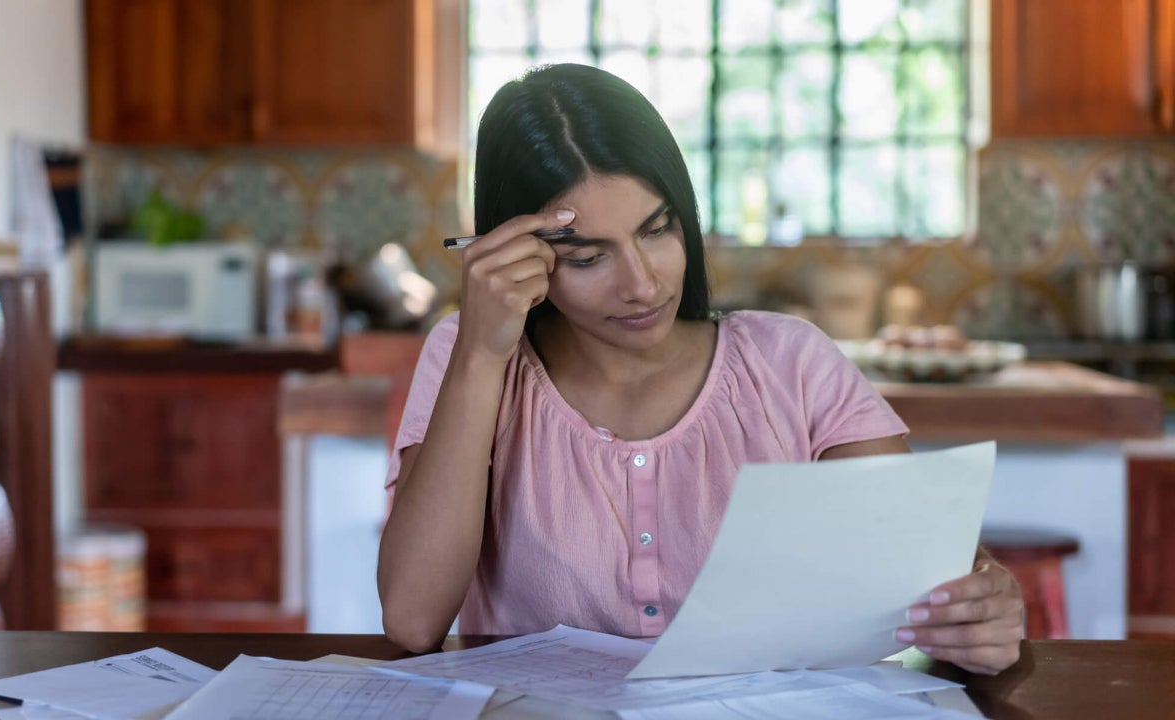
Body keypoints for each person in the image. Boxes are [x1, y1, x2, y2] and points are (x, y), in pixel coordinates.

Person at [376, 63, 1023, 675]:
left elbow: (927, 565)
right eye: (587, 258)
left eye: (657, 230)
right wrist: (484, 352)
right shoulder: (468, 356)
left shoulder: (790, 362)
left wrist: (980, 607)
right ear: (514, 255)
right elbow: (411, 620)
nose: (642, 283)